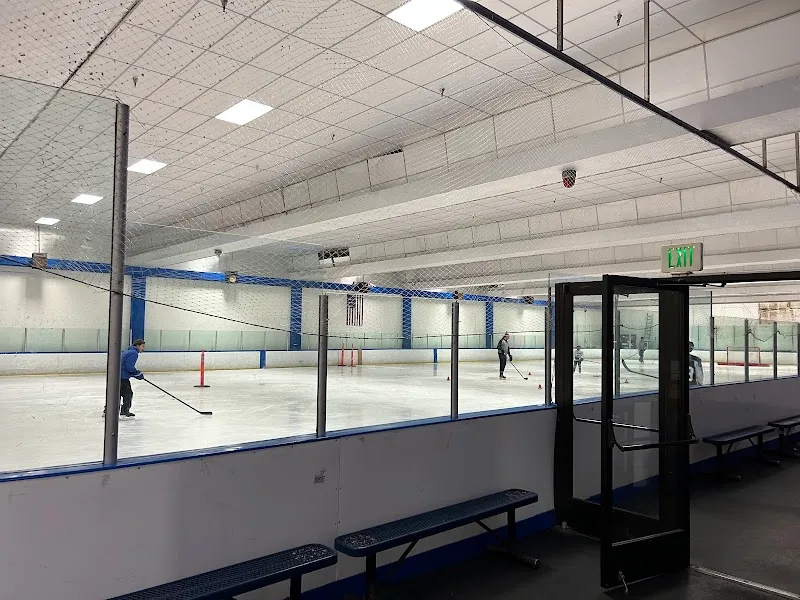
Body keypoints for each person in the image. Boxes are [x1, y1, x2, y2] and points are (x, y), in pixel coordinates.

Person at [104, 339, 145, 418]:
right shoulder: (134, 353)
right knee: (128, 394)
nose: (143, 349)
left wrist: (135, 374)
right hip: (123, 378)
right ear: (137, 346)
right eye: (142, 346)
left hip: (116, 377)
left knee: (115, 394)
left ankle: (108, 410)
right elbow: (129, 367)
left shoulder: (127, 351)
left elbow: (123, 366)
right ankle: (124, 411)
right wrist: (138, 374)